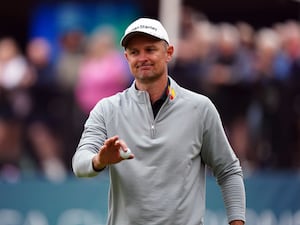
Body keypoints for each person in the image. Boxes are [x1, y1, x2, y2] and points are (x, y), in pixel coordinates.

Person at [72, 17, 246, 225]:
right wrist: (99, 160)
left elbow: (228, 170)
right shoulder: (107, 109)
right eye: (135, 52)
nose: (142, 57)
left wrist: (237, 221)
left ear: (169, 53)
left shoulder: (200, 108)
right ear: (126, 57)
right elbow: (80, 162)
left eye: (150, 49)